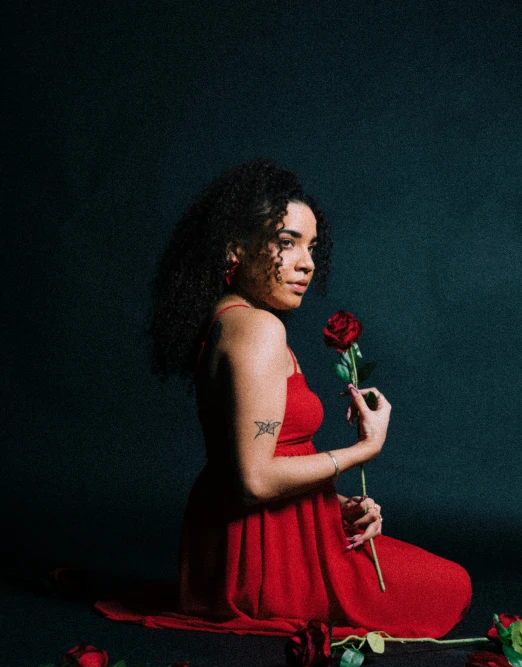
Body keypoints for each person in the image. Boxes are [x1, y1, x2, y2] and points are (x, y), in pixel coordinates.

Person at [95, 159, 471, 638]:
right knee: (452, 586)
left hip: (246, 543)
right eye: (287, 242)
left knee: (433, 579)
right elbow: (253, 480)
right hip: (262, 559)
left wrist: (334, 506)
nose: (308, 262)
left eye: (311, 246)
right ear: (235, 249)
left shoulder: (230, 319)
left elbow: (246, 462)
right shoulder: (258, 329)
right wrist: (363, 450)